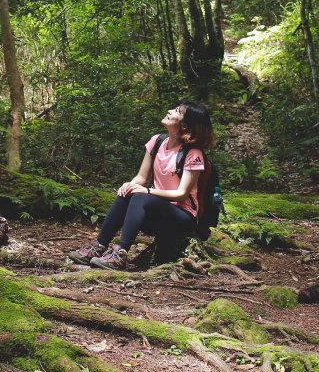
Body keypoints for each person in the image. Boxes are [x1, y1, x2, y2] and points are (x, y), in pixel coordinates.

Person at [68, 100, 215, 270]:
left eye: (176, 111)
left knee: (140, 196)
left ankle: (120, 254)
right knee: (129, 192)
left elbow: (181, 194)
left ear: (185, 126)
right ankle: (99, 247)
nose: (169, 110)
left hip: (182, 218)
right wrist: (129, 185)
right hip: (156, 213)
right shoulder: (157, 141)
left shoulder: (193, 153)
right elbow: (141, 177)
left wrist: (146, 191)